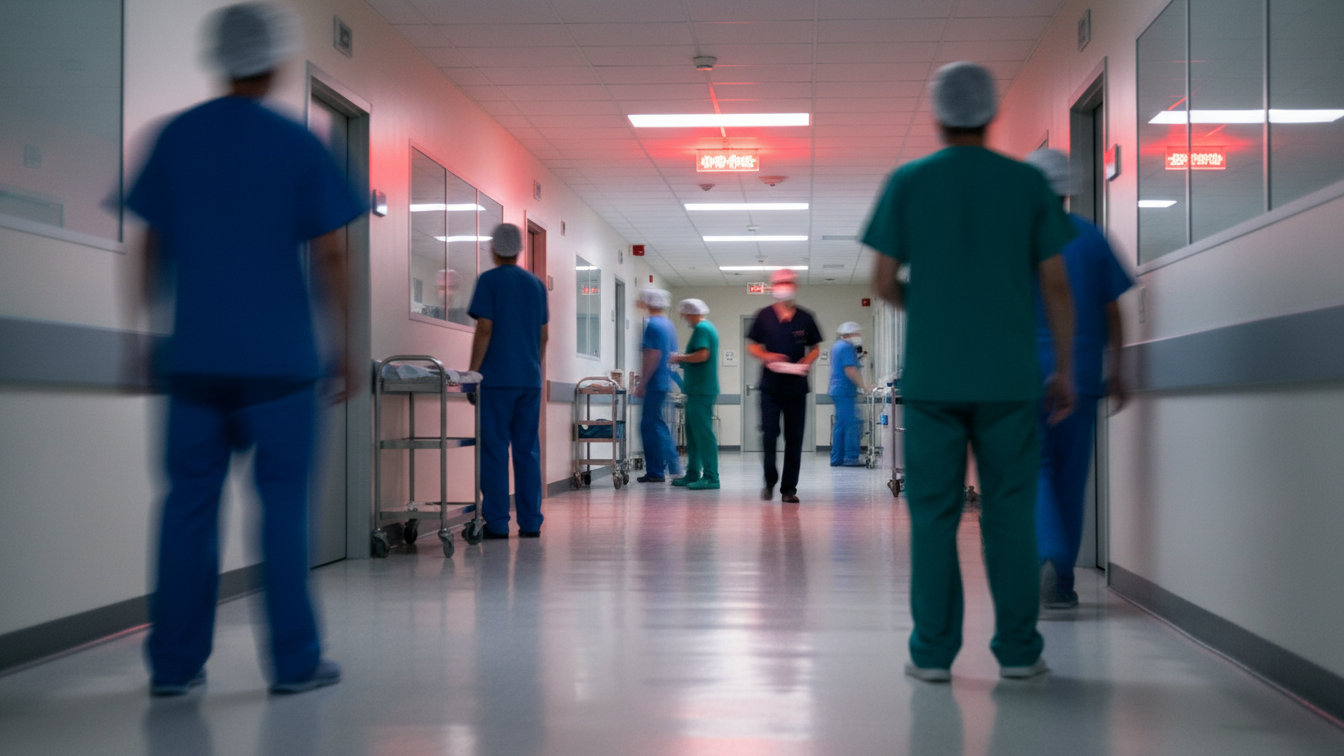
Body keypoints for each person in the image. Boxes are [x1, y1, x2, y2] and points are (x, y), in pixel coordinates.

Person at [127, 3, 363, 696]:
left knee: (187, 509)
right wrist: (344, 347)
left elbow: (149, 247)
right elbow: (331, 256)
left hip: (194, 359)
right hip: (282, 365)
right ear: (274, 62)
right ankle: (293, 663)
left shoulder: (173, 139)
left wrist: (147, 334)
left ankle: (173, 666)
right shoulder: (298, 143)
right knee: (284, 511)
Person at [862, 61, 1078, 682]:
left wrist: (929, 307)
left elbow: (881, 282)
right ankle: (1017, 653)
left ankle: (931, 655)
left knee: (933, 516)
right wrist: (1061, 367)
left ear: (936, 115)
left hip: (933, 381)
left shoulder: (907, 182)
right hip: (1010, 379)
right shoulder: (1026, 184)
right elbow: (1056, 282)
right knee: (1010, 513)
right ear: (992, 115)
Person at [1024, 148, 1135, 610]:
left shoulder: (1015, 239)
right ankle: (1063, 581)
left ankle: (1045, 556)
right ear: (1068, 189)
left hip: (1024, 375)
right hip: (1083, 376)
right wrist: (1119, 368)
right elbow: (1113, 309)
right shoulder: (1091, 237)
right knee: (1071, 480)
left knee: (1031, 471)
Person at [468, 223, 549, 539]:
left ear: (493, 249)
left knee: (494, 451)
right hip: (529, 380)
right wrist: (535, 372)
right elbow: (544, 335)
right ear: (519, 250)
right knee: (528, 451)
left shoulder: (488, 281)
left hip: (496, 380)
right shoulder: (536, 285)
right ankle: (530, 522)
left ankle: (498, 523)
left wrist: (473, 372)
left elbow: (485, 328)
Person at [747, 269, 824, 503]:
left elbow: (816, 348)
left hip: (796, 387)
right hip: (770, 387)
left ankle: (789, 489)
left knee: (795, 438)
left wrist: (806, 361)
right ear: (773, 286)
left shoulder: (805, 318)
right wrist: (767, 356)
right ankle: (770, 480)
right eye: (779, 282)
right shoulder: (763, 316)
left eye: (788, 282)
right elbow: (752, 346)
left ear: (795, 285)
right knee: (769, 435)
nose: (784, 286)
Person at [670, 299, 720, 490]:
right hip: (697, 389)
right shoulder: (707, 328)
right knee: (692, 434)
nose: (684, 318)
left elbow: (703, 355)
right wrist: (682, 361)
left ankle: (711, 477)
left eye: (684, 315)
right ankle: (692, 473)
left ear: (691, 313)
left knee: (703, 434)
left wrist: (679, 357)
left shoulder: (702, 329)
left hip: (702, 389)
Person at [633, 289, 683, 483]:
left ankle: (658, 470)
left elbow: (653, 355)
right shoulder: (668, 325)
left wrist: (642, 382)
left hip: (654, 383)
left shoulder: (652, 325)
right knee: (657, 424)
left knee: (650, 426)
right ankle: (668, 466)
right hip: (663, 381)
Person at [829, 322, 869, 467]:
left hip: (839, 390)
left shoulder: (837, 346)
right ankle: (850, 458)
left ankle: (837, 458)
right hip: (844, 391)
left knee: (841, 424)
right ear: (847, 334)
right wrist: (865, 386)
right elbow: (850, 370)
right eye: (856, 333)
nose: (859, 336)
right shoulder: (846, 347)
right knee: (853, 423)